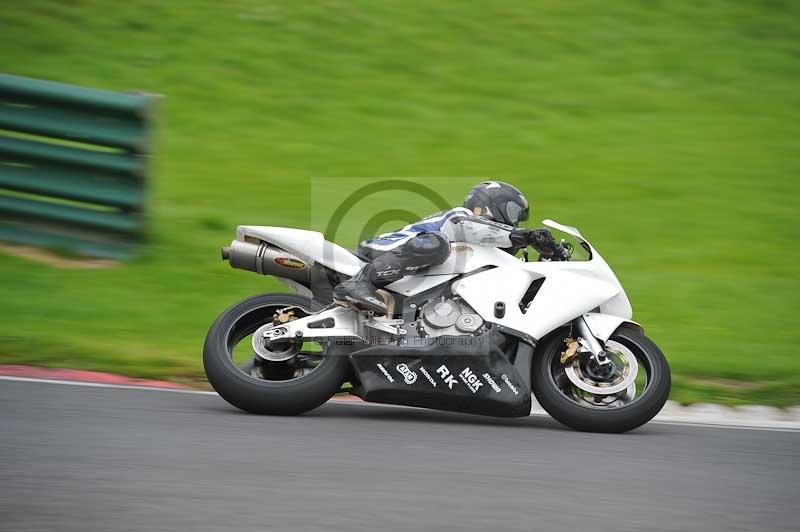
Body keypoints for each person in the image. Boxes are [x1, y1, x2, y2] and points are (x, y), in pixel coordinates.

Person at [333, 181, 568, 313]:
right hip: (373, 255)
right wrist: (526, 236)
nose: (514, 221)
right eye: (513, 213)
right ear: (488, 205)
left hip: (403, 282)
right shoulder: (462, 217)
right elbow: (474, 229)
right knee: (437, 245)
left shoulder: (479, 252)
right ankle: (360, 283)